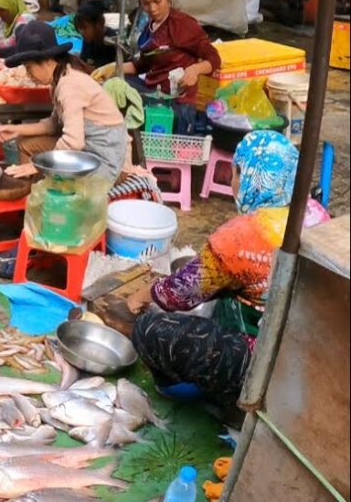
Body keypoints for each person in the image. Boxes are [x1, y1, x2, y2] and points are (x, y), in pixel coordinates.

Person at [129, 131, 330, 412]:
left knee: (150, 329)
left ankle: (203, 397)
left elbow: (177, 295)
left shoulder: (241, 237)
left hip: (261, 364)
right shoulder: (316, 213)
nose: (232, 180)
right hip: (308, 355)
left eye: (235, 172)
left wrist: (140, 296)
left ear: (247, 175)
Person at [0, 21, 127, 181]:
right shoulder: (59, 80)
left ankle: (41, 194)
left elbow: (73, 142)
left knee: (38, 162)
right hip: (87, 151)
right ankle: (30, 194)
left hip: (105, 161)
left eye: (29, 68)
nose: (28, 75)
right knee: (25, 143)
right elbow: (54, 125)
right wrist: (17, 130)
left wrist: (36, 166)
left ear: (48, 60)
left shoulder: (69, 85)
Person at [119, 0, 220, 133]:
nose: (152, 9)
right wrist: (114, 69)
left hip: (178, 103)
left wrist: (195, 70)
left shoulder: (182, 25)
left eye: (157, 1)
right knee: (115, 85)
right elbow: (142, 65)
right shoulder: (149, 26)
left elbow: (214, 58)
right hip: (154, 93)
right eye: (146, 3)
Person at [74, 1, 117, 67]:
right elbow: (84, 60)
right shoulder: (89, 39)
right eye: (80, 28)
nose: (81, 32)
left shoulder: (111, 41)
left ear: (99, 24)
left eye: (84, 28)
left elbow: (105, 71)